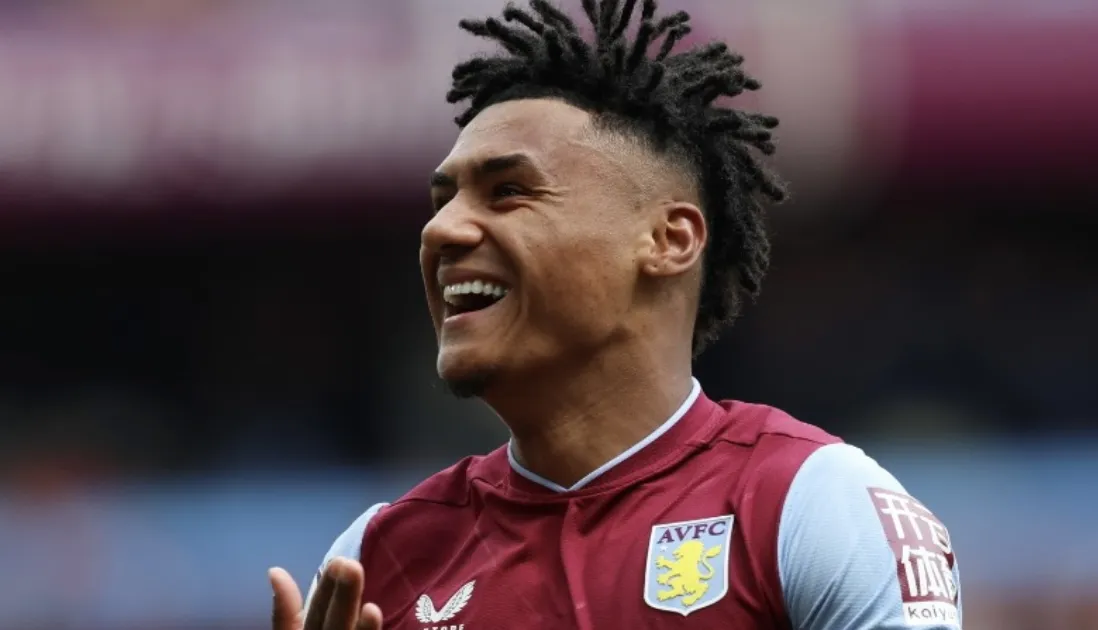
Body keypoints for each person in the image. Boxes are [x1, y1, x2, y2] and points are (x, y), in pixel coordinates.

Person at [269, 1, 962, 628]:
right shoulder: (376, 557)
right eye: (442, 200)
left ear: (667, 240)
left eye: (507, 191)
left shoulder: (810, 505)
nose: (443, 229)